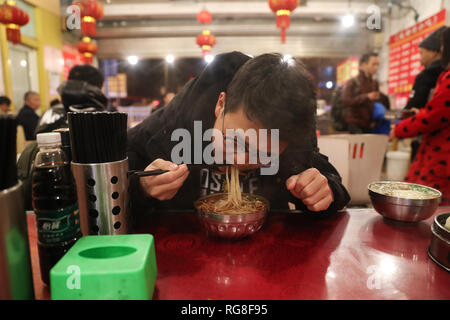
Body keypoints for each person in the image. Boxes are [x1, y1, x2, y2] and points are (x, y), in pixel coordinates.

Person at [127, 52, 350, 215]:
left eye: (263, 156)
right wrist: (142, 188)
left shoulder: (292, 131)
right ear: (221, 104)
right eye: (235, 141)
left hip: (268, 257)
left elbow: (329, 183)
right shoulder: (175, 123)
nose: (239, 160)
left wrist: (322, 192)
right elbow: (111, 186)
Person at [17, 64, 107, 210]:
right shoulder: (99, 115)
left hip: (35, 199)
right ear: (98, 87)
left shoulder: (50, 112)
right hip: (87, 202)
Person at [390, 27, 450, 206]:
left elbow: (433, 115)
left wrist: (400, 129)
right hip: (436, 149)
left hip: (442, 155)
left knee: (430, 205)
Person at [403, 27, 445, 161]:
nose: (419, 59)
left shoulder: (426, 75)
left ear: (434, 52)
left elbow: (414, 107)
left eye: (421, 53)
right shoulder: (444, 74)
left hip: (427, 138)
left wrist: (400, 127)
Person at [342, 52, 380, 134]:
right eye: (373, 64)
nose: (376, 67)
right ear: (363, 64)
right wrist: (366, 97)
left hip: (370, 125)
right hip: (355, 124)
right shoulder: (353, 82)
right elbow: (346, 101)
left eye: (378, 64)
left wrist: (375, 119)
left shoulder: (375, 83)